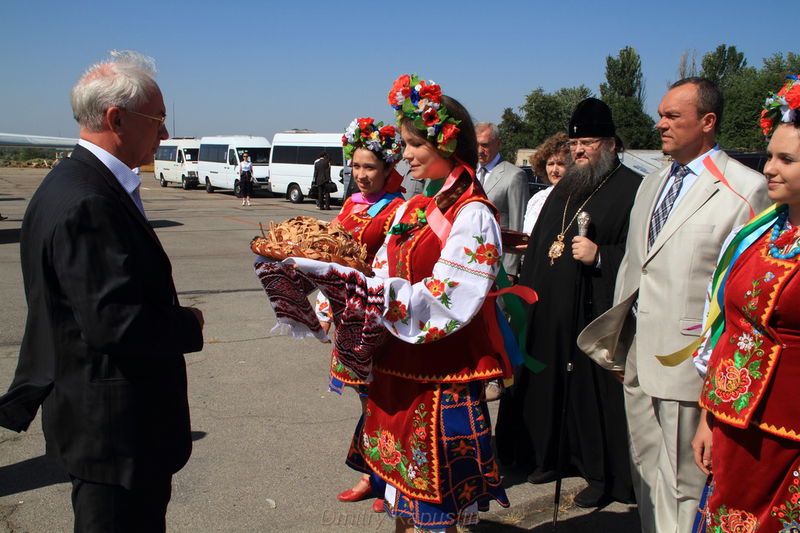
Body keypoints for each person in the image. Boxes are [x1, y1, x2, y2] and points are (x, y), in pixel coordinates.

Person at [258, 74, 514, 532]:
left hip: (439, 378)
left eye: (416, 144)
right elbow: (379, 269)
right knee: (400, 499)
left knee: (434, 508)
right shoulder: (412, 207)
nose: (407, 154)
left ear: (446, 142)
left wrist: (366, 292)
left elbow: (450, 300)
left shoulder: (473, 213)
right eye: (405, 143)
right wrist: (329, 292)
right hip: (397, 370)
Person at [0, 50, 204, 532]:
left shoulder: (70, 182)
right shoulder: (89, 201)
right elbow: (116, 323)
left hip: (100, 423)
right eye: (157, 120)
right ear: (117, 118)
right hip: (116, 434)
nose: (165, 134)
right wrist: (188, 323)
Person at [577, 77, 770, 533]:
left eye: (672, 116)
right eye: (660, 114)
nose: (659, 123)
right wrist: (621, 340)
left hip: (688, 362)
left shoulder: (745, 189)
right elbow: (636, 268)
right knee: (645, 467)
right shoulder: (653, 182)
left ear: (707, 122)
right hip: (640, 353)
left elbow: (742, 292)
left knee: (686, 479)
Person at [495, 97, 641, 508]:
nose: (579, 151)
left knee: (590, 398)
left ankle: (600, 471)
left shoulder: (633, 188)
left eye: (589, 143)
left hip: (593, 311)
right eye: (576, 143)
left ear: (611, 143)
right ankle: (545, 456)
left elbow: (642, 256)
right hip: (548, 312)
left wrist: (601, 256)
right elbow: (547, 242)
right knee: (544, 386)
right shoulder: (567, 187)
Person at [690, 75, 800, 533]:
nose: (769, 168)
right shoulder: (757, 234)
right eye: (770, 155)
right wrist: (708, 419)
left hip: (789, 436)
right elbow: (727, 329)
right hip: (734, 425)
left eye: (786, 159)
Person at [315, 117, 406, 513]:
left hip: (376, 321)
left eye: (370, 167)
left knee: (382, 399)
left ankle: (388, 478)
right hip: (346, 317)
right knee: (364, 400)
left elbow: (398, 267)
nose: (361, 175)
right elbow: (329, 257)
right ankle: (375, 473)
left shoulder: (399, 210)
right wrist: (322, 306)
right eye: (356, 167)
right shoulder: (351, 203)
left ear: (388, 169)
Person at [475, 122, 530, 281]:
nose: (479, 150)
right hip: (472, 258)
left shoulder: (514, 175)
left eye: (485, 145)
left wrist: (511, 270)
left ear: (498, 143)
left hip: (499, 264)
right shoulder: (470, 172)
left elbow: (517, 224)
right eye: (476, 144)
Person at [522, 132, 570, 235]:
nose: (554, 170)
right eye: (550, 164)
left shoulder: (576, 198)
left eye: (560, 164)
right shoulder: (537, 199)